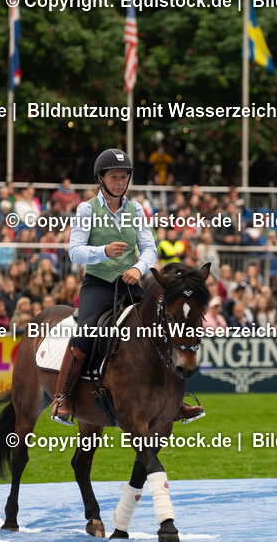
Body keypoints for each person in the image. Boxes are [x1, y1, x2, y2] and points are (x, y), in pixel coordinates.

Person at [51, 148, 201, 425]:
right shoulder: (87, 209)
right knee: (85, 334)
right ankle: (62, 397)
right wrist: (103, 252)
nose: (120, 182)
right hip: (98, 284)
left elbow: (149, 248)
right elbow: (74, 252)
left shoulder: (136, 210)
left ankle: (175, 402)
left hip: (131, 283)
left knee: (162, 328)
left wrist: (138, 268)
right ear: (101, 178)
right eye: (114, 176)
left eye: (124, 177)